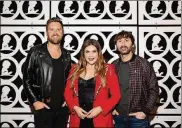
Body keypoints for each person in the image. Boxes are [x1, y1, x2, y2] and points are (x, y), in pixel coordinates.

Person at [22, 17, 71, 128]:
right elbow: (26, 79)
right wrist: (35, 102)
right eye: (51, 29)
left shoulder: (66, 55)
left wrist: (68, 100)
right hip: (43, 109)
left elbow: (69, 80)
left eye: (58, 29)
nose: (55, 32)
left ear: (62, 32)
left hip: (62, 110)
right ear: (46, 32)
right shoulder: (35, 52)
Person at [64, 39, 121, 128]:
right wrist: (74, 107)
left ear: (98, 53)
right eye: (87, 52)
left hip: (100, 118)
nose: (90, 55)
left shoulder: (107, 69)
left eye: (94, 51)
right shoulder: (75, 69)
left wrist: (100, 109)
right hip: (78, 119)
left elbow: (116, 95)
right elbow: (67, 92)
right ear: (83, 54)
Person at [112, 30, 159, 128]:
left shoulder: (143, 64)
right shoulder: (113, 65)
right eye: (120, 41)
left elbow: (154, 89)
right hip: (118, 118)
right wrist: (111, 108)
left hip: (138, 119)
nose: (123, 44)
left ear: (132, 44)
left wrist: (145, 111)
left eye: (126, 40)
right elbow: (107, 90)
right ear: (116, 44)